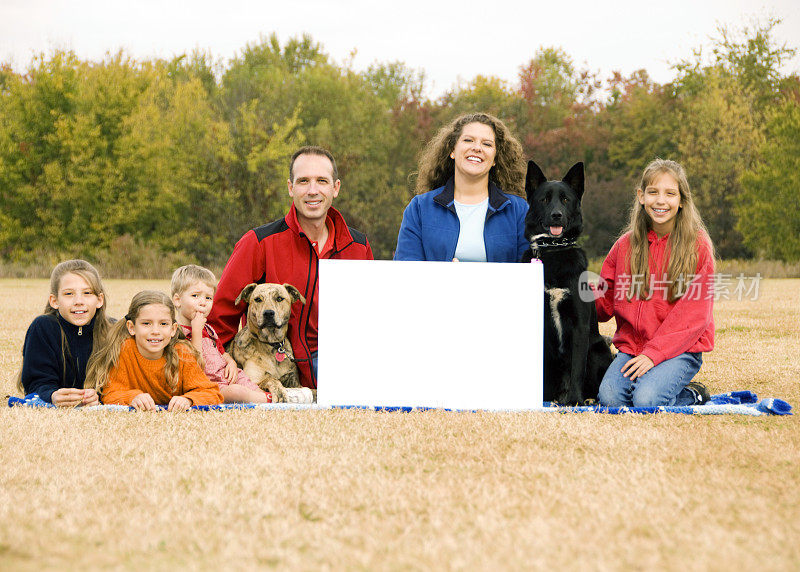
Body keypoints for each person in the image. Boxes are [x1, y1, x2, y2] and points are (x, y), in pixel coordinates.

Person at [208, 146, 374, 388]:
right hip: (275, 371)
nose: (313, 190)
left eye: (322, 181)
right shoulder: (258, 243)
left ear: (335, 188)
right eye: (303, 181)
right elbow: (220, 319)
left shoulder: (358, 247)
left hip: (343, 370)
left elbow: (369, 317)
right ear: (290, 187)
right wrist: (221, 361)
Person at [595, 159, 715, 407]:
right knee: (610, 398)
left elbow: (694, 316)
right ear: (641, 196)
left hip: (680, 350)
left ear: (682, 200)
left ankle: (692, 394)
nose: (661, 201)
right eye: (653, 192)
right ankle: (657, 384)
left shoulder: (698, 245)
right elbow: (602, 302)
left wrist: (654, 354)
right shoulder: (625, 246)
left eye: (670, 193)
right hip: (633, 348)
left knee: (645, 400)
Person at [394, 112, 528, 262]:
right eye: (468, 140)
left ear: (495, 158)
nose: (477, 148)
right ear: (452, 150)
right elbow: (406, 273)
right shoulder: (419, 208)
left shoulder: (518, 211)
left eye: (487, 144)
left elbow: (530, 275)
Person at [87, 290, 223, 411]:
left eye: (163, 324)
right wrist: (133, 397)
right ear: (131, 327)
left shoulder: (182, 353)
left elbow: (212, 393)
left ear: (173, 329)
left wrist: (188, 399)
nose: (155, 331)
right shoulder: (125, 350)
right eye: (146, 323)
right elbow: (110, 395)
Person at [19, 259, 112, 407]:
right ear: (54, 301)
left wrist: (99, 397)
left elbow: (122, 383)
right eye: (69, 294)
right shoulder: (43, 328)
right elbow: (36, 382)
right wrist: (51, 395)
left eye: (87, 293)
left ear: (99, 299)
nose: (78, 301)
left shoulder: (112, 331)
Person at [170, 264, 268, 403]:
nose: (203, 302)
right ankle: (270, 400)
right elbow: (194, 366)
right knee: (236, 392)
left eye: (208, 298)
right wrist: (196, 331)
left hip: (226, 375)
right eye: (195, 296)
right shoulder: (175, 332)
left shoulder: (209, 329)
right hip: (208, 384)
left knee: (246, 381)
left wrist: (231, 363)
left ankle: (267, 397)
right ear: (177, 300)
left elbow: (222, 353)